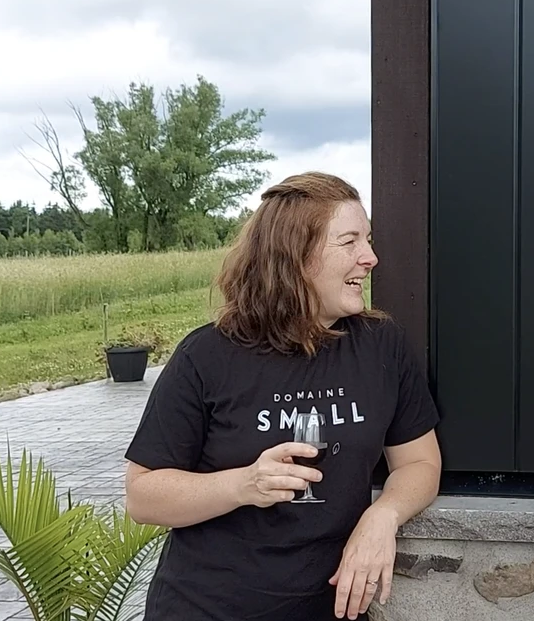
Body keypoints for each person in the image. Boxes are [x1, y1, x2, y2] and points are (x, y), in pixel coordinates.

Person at [123, 172, 442, 621]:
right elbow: (142, 496)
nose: (370, 258)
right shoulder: (207, 355)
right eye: (349, 242)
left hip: (328, 609)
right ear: (295, 255)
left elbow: (420, 463)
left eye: (367, 240)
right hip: (207, 608)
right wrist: (241, 484)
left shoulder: (380, 345)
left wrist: (383, 516)